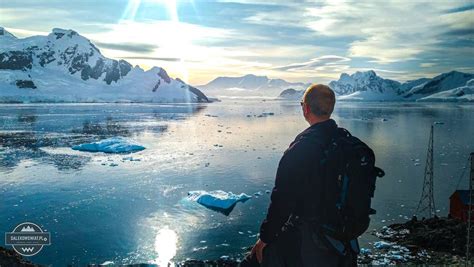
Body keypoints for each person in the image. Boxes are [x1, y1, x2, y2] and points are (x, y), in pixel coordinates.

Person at [240, 84, 358, 267]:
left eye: (302, 103)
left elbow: (282, 201)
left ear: (306, 108)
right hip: (343, 237)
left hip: (309, 238)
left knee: (253, 262)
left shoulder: (301, 149)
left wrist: (264, 239)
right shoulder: (347, 143)